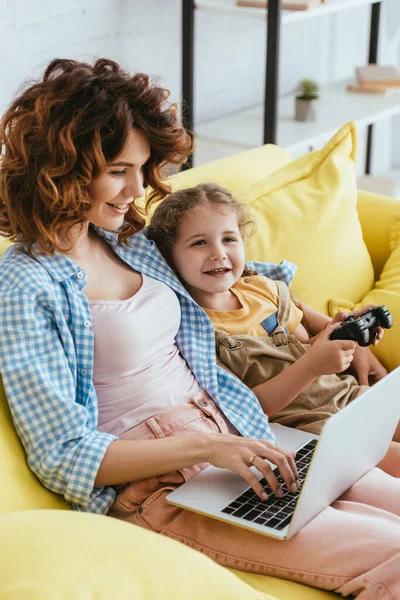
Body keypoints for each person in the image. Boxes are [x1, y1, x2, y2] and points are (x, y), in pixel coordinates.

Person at [0, 59, 399, 600]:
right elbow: (64, 453)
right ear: (59, 169)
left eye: (141, 169)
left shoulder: (128, 240)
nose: (137, 189)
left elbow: (235, 275)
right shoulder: (25, 285)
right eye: (119, 171)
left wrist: (330, 323)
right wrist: (205, 447)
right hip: (164, 485)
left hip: (247, 436)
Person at [147, 181, 400, 479]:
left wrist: (347, 333)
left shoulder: (263, 290)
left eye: (229, 239)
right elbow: (246, 411)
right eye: (199, 243)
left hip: (348, 397)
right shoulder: (191, 330)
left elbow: (309, 343)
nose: (218, 253)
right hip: (310, 430)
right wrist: (313, 364)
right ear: (169, 257)